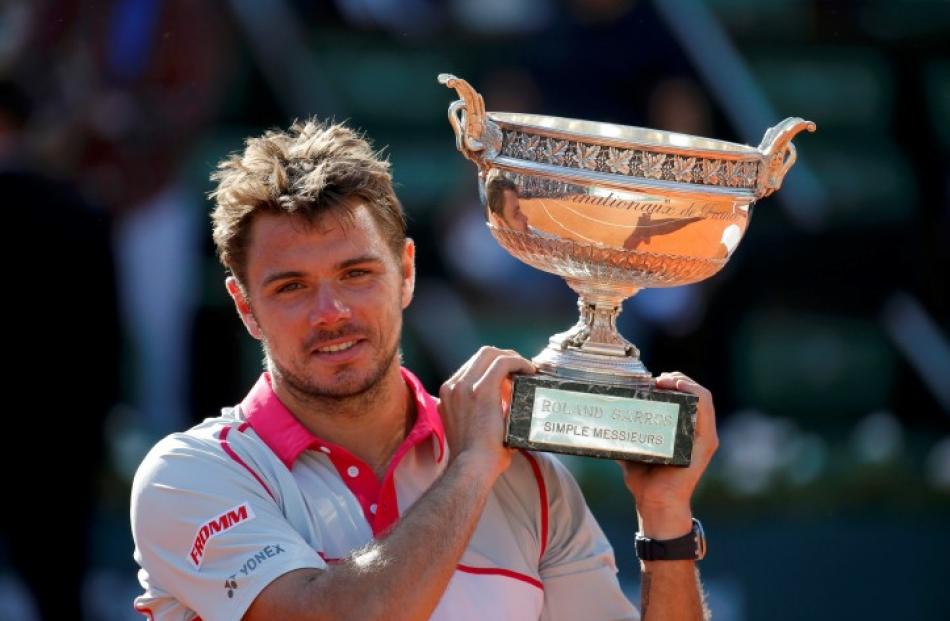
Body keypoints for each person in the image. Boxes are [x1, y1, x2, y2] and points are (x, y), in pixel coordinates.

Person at [130, 119, 718, 621]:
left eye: (357, 274)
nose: (330, 312)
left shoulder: (529, 481)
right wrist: (469, 470)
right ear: (245, 306)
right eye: (291, 287)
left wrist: (665, 521)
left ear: (406, 273)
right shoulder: (193, 475)